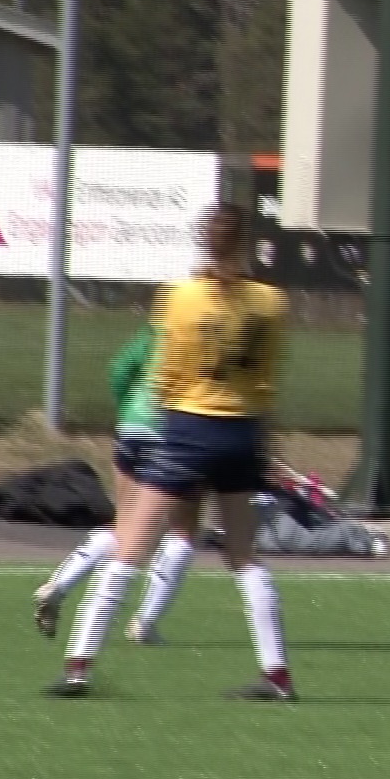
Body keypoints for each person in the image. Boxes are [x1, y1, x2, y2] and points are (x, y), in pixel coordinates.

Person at [49, 204, 294, 700]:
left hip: (188, 430)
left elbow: (166, 375)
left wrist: (174, 426)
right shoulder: (271, 302)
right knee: (245, 558)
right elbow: (267, 379)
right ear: (245, 243)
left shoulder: (180, 298)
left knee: (129, 549)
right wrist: (260, 440)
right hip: (243, 433)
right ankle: (278, 677)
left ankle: (78, 669)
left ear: (204, 242)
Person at [32, 322, 205, 645]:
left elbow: (120, 369)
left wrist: (128, 411)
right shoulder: (209, 329)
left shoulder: (157, 328)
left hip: (132, 427)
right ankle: (145, 622)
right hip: (175, 433)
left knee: (124, 524)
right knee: (183, 529)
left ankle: (58, 585)